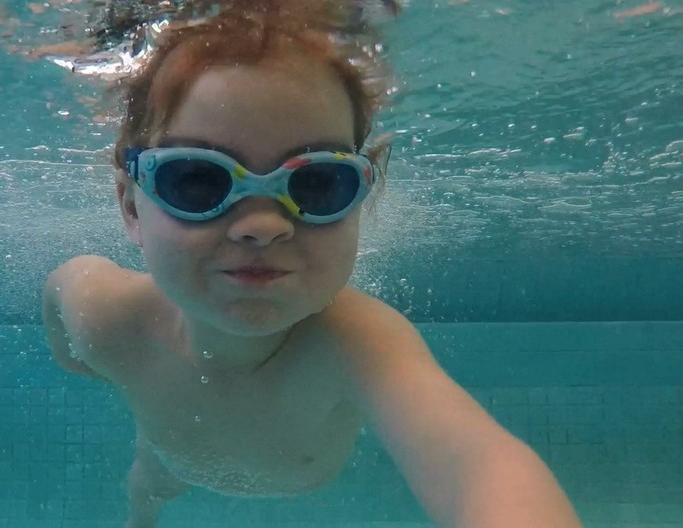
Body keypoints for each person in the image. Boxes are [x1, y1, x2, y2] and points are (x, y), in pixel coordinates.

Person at [42, 1, 584, 527]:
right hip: (169, 461)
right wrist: (73, 355)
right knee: (149, 487)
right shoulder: (104, 311)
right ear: (131, 206)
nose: (264, 224)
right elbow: (55, 295)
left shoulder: (356, 342)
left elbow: (478, 465)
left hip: (299, 484)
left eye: (318, 183)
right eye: (198, 179)